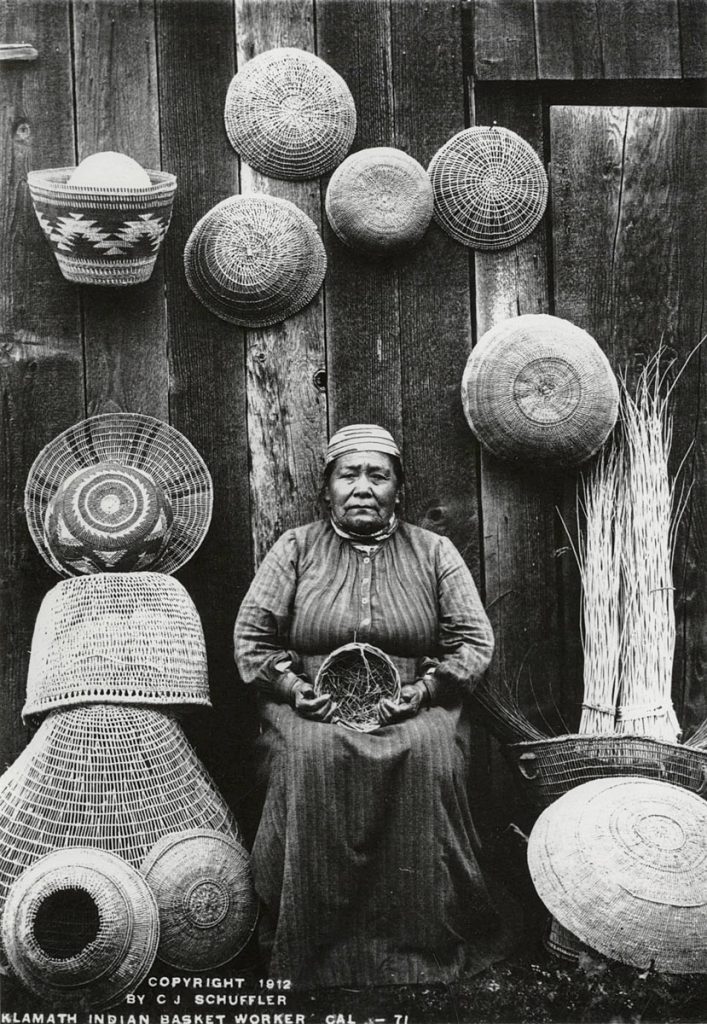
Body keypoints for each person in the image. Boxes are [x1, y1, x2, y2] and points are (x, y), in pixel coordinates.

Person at [234, 424, 518, 987]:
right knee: (310, 758)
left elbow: (473, 640)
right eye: (349, 474)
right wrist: (293, 689)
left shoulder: (434, 551)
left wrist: (427, 691)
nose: (363, 487)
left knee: (430, 755)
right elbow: (251, 641)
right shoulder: (295, 548)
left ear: (398, 490)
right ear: (328, 489)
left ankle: (425, 946)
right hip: (311, 705)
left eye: (378, 475)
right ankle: (313, 952)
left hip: (412, 703)